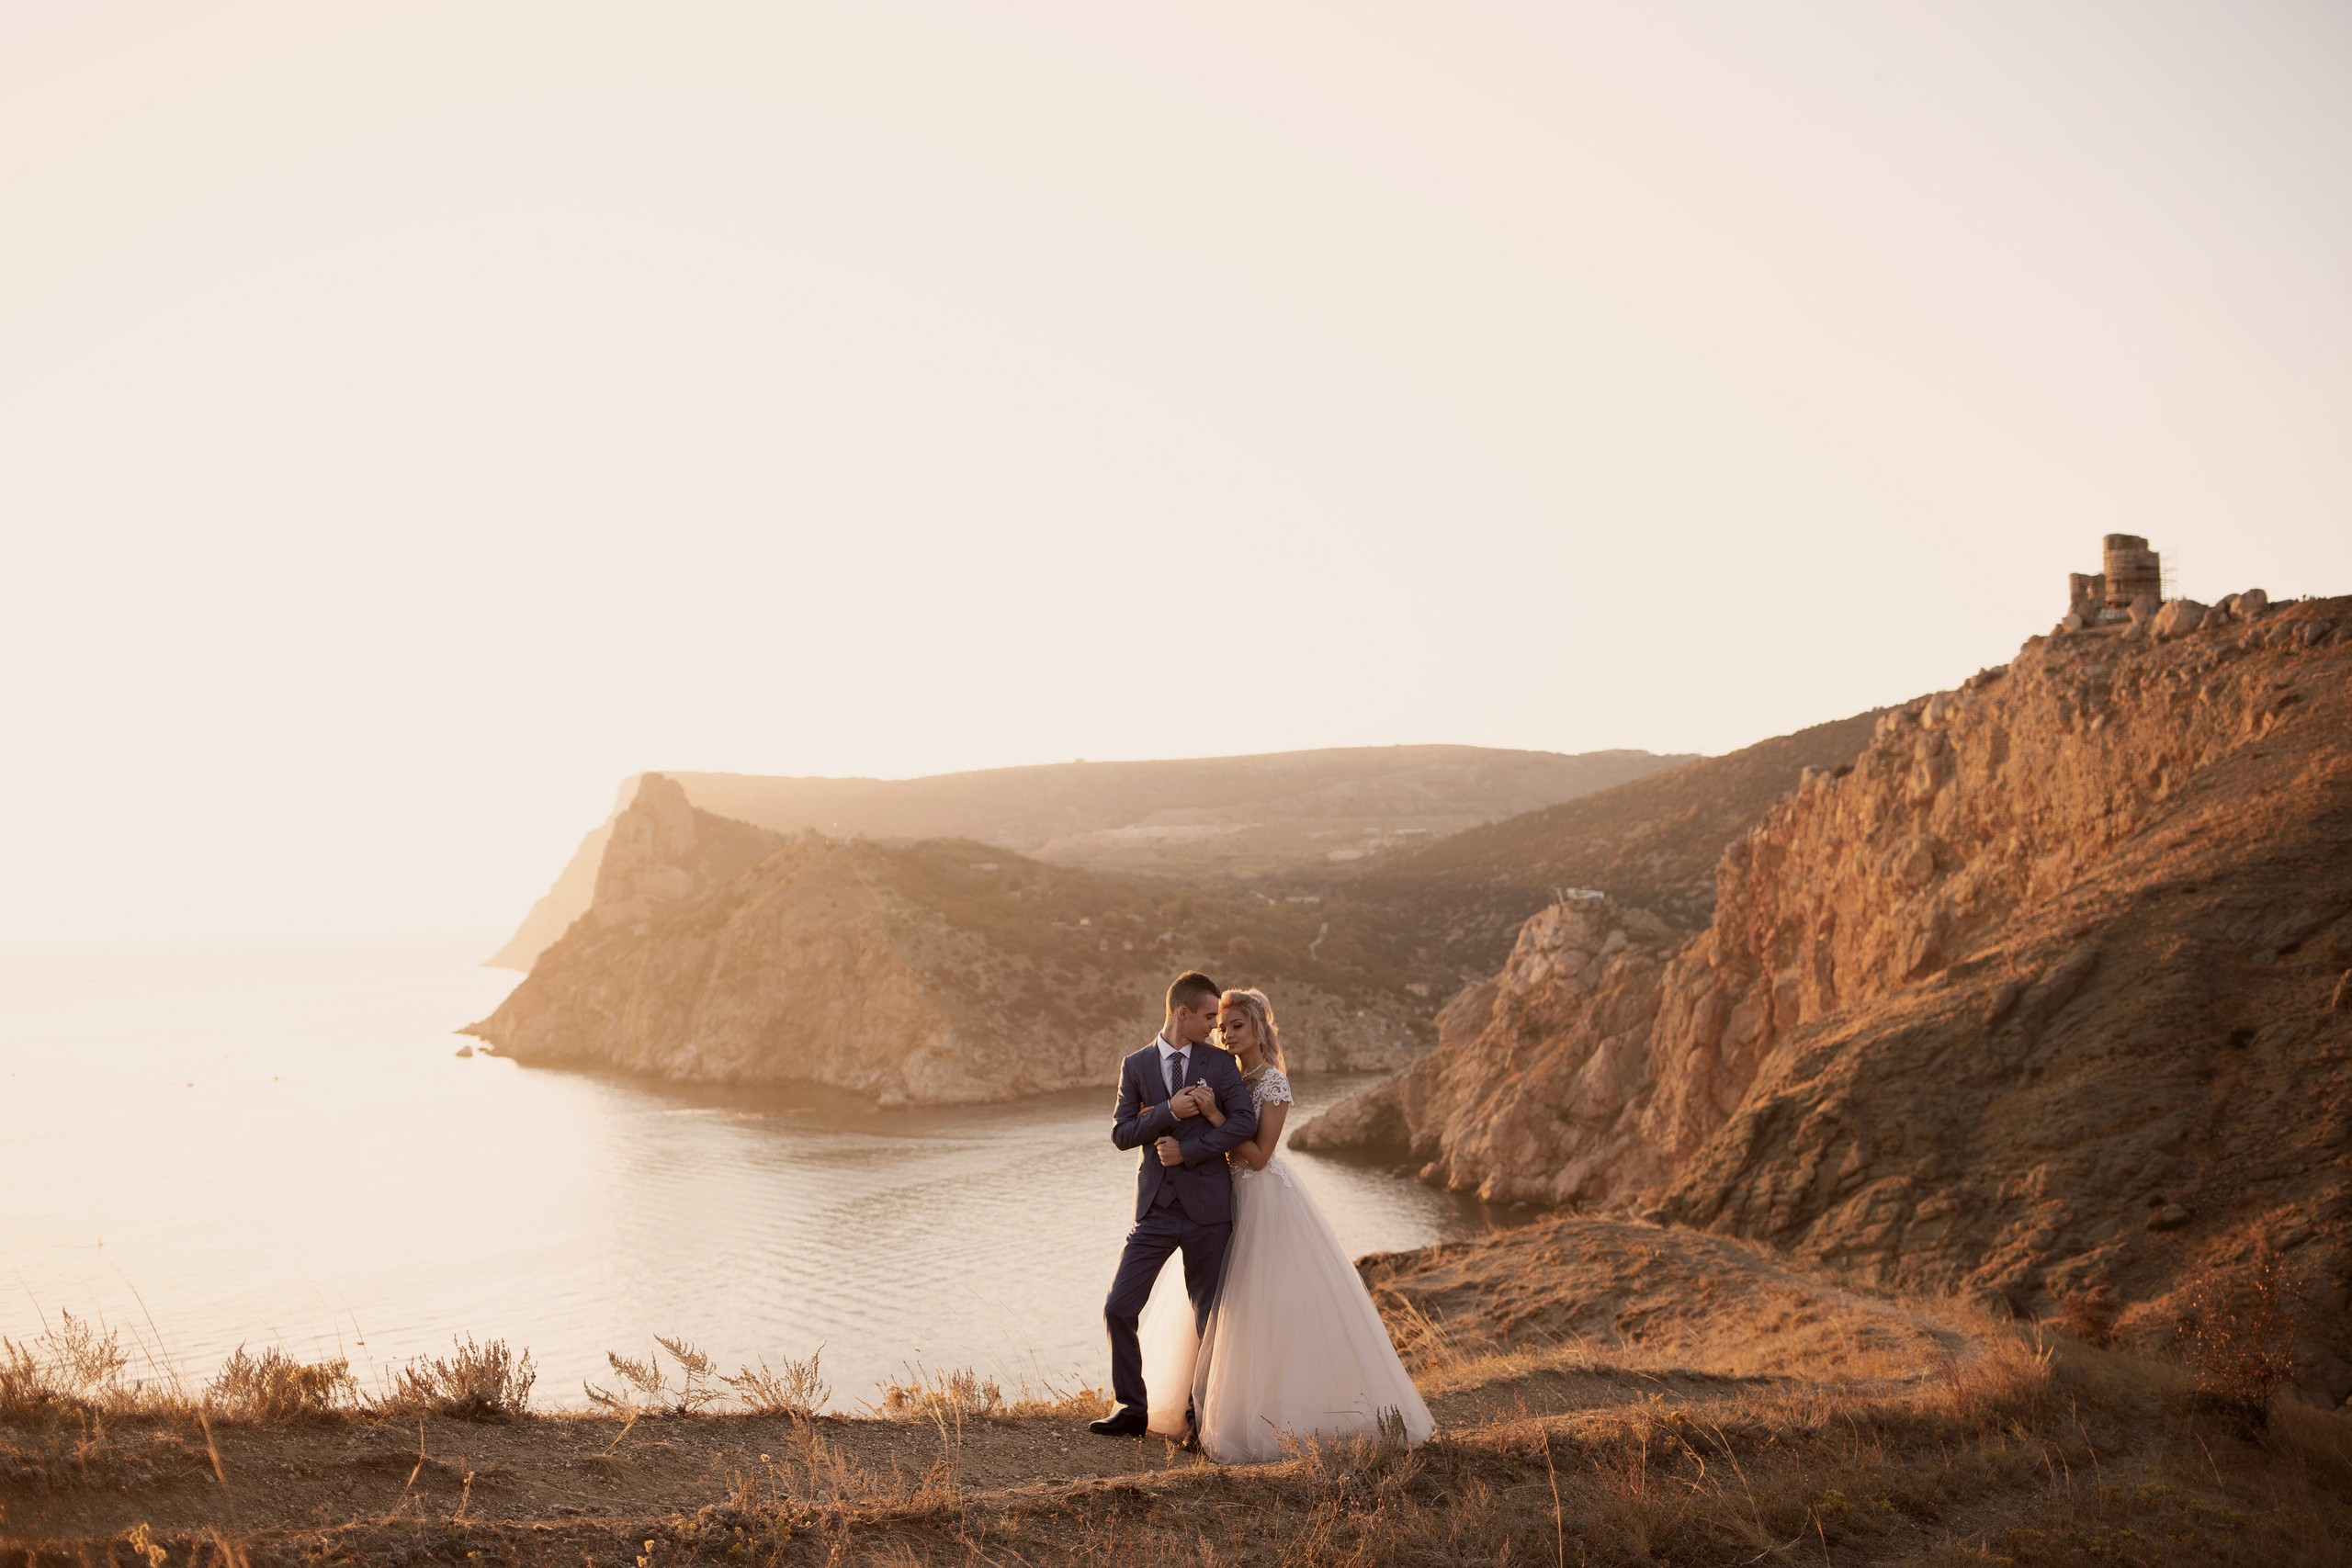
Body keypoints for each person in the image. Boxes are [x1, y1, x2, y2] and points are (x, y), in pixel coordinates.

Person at [1141, 987, 1436, 1462]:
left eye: (1237, 1026)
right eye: (1222, 1027)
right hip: (1217, 1198)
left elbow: (1258, 1158)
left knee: (1265, 1309)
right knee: (1212, 1304)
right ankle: (1200, 1410)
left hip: (1262, 1201)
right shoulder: (1221, 1074)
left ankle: (1260, 1415)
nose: (1228, 1034)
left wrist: (1215, 1115)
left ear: (1259, 1027)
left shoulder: (1273, 1085)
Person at [1091, 971, 1259, 1440]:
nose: (1215, 1026)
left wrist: (1190, 1148)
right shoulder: (1137, 1064)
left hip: (1209, 1209)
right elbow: (1122, 1134)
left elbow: (1244, 1124)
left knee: (1210, 1319)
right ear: (1181, 1013)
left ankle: (1201, 1417)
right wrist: (1168, 1113)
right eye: (1208, 1017)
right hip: (1156, 1211)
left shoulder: (1220, 1064)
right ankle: (1130, 1408)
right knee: (1119, 1306)